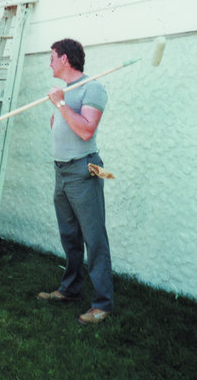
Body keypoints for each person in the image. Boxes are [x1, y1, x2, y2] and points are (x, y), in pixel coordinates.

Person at [37, 38, 113, 324]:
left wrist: (60, 104)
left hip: (83, 170)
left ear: (65, 59)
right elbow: (60, 126)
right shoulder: (65, 91)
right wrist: (60, 105)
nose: (50, 63)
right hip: (61, 172)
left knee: (94, 239)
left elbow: (85, 131)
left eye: (53, 57)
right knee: (70, 236)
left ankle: (102, 304)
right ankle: (70, 289)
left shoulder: (93, 87)